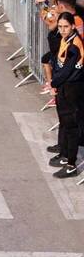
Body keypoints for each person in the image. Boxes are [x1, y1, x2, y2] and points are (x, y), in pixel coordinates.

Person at [48, 13, 84, 178]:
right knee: (64, 122)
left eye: (65, 27)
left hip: (72, 88)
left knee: (71, 126)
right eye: (60, 26)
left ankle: (71, 164)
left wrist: (53, 83)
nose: (62, 30)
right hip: (63, 87)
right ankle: (64, 154)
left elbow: (68, 70)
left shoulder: (75, 46)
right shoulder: (65, 39)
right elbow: (56, 59)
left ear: (73, 26)